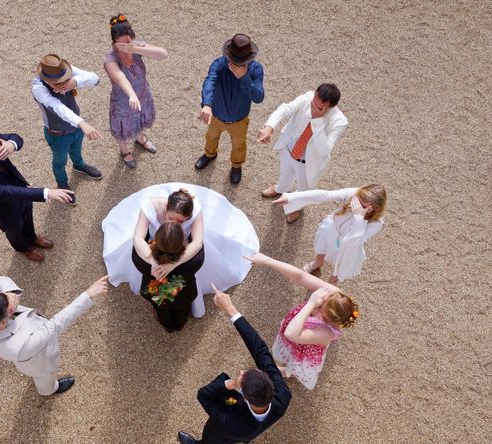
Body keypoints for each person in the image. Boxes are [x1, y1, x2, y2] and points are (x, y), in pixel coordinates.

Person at [102, 183, 259, 317]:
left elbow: (197, 243)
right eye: (171, 218)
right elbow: (137, 239)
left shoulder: (196, 211)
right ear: (166, 208)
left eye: (181, 221)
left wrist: (173, 264)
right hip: (155, 243)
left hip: (181, 246)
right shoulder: (151, 206)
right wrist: (153, 262)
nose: (175, 224)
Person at [177, 284, 292, 444]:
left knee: (210, 436)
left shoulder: (233, 424)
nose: (241, 371)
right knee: (247, 434)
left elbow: (203, 396)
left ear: (244, 397)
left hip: (232, 432)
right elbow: (260, 349)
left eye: (241, 377)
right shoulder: (283, 395)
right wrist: (231, 310)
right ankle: (242, 440)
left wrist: (229, 384)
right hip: (249, 429)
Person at [0, 275, 108, 396]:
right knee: (45, 376)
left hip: (24, 353)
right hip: (38, 361)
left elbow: (0, 280)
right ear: (3, 322)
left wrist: (9, 292)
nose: (15, 299)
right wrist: (88, 294)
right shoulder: (18, 346)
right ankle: (49, 390)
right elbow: (55, 325)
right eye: (12, 306)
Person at [245, 253, 360, 390]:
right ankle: (287, 370)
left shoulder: (326, 333)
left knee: (296, 364)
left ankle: (288, 372)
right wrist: (267, 260)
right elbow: (300, 276)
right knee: (288, 355)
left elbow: (291, 334)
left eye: (319, 306)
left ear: (325, 318)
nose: (320, 297)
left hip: (302, 347)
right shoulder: (334, 294)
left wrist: (310, 304)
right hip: (297, 331)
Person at [0, 131, 73, 262]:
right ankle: (23, 248)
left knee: (28, 217)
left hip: (22, 192)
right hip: (3, 209)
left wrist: (11, 144)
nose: (2, 153)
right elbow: (5, 192)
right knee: (15, 231)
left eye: (1, 145)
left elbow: (15, 137)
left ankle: (32, 237)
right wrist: (46, 193)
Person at [257, 83, 348, 223]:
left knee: (304, 189)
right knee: (285, 173)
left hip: (308, 163)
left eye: (317, 107)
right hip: (290, 150)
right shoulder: (307, 97)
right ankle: (280, 188)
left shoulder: (340, 122)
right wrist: (269, 127)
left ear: (331, 107)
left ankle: (297, 208)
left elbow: (325, 150)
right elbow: (285, 109)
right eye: (313, 103)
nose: (312, 109)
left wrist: (318, 120)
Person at [274, 184, 387, 283]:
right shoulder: (354, 194)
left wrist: (359, 216)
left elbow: (352, 243)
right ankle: (317, 264)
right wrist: (291, 198)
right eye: (356, 201)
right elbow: (327, 195)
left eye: (362, 205)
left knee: (340, 268)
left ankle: (331, 282)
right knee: (321, 248)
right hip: (330, 230)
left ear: (374, 208)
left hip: (346, 247)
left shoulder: (376, 223)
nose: (355, 206)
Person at [32, 53, 103, 206]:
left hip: (75, 130)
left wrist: (74, 82)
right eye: (56, 82)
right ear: (45, 79)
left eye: (63, 79)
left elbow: (95, 78)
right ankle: (62, 183)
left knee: (76, 150)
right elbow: (59, 109)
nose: (61, 83)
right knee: (60, 160)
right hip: (58, 134)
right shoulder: (38, 88)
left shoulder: (64, 70)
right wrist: (82, 123)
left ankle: (78, 165)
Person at [194, 33, 264, 184]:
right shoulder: (219, 64)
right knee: (211, 137)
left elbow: (258, 97)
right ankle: (210, 154)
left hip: (239, 119)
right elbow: (209, 82)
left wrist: (244, 77)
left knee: (239, 144)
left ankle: (236, 165)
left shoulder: (256, 70)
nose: (235, 64)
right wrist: (207, 104)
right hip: (217, 115)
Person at [104, 14, 168, 168]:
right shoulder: (110, 59)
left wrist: (135, 48)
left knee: (139, 120)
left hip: (143, 95)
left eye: (128, 41)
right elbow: (120, 78)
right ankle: (124, 151)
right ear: (114, 43)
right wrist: (131, 94)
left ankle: (140, 139)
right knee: (122, 127)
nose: (125, 46)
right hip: (123, 101)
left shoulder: (136, 47)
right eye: (121, 44)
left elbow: (163, 54)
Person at [132, 222, 205, 332]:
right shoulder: (195, 260)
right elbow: (197, 243)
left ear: (156, 239)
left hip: (153, 294)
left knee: (161, 308)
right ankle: (180, 324)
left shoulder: (139, 260)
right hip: (184, 295)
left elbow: (138, 241)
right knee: (182, 310)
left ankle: (166, 325)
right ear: (183, 242)